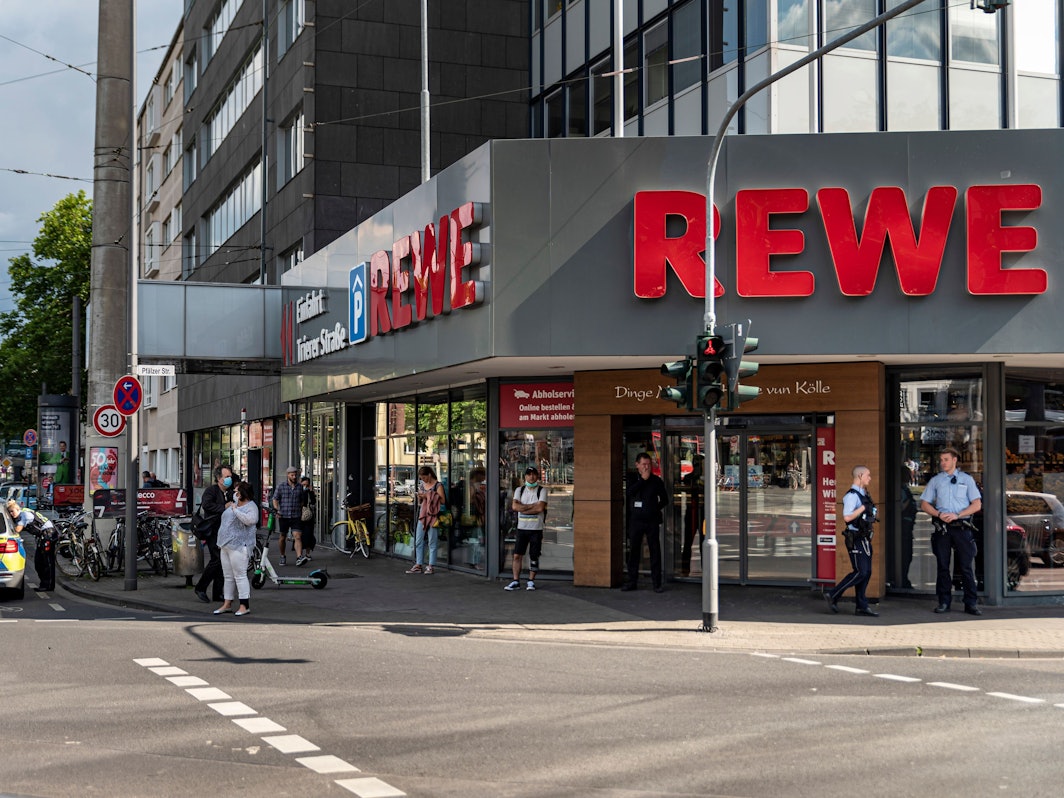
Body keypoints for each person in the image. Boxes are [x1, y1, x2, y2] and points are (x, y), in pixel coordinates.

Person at [921, 446, 983, 616]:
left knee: (966, 567)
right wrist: (939, 514)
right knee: (943, 566)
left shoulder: (966, 480)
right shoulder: (936, 480)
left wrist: (958, 515)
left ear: (954, 460)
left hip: (962, 527)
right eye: (941, 460)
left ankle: (970, 603)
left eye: (946, 459)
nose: (942, 463)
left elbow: (977, 504)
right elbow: (924, 504)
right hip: (943, 529)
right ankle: (943, 602)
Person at [825, 466, 878, 617]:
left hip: (865, 536)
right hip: (855, 537)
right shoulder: (852, 496)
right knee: (861, 571)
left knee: (867, 572)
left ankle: (861, 606)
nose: (870, 478)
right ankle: (833, 594)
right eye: (868, 475)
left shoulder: (863, 494)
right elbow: (847, 517)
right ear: (860, 476)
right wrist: (862, 508)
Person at [623, 452, 669, 593]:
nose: (646, 467)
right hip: (636, 521)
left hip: (651, 520)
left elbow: (665, 499)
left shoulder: (656, 481)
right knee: (634, 551)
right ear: (637, 465)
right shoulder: (632, 479)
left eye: (648, 464)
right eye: (644, 464)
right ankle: (632, 581)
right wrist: (642, 480)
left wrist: (655, 508)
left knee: (655, 550)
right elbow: (629, 493)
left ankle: (656, 583)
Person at [214, 480, 258, 617]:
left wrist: (235, 510)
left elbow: (250, 520)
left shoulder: (251, 507)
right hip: (225, 545)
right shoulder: (234, 504)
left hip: (239, 546)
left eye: (237, 491)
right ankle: (227, 604)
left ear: (243, 493)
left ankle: (244, 605)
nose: (234, 493)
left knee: (240, 575)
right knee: (228, 576)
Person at [195, 464, 233, 604]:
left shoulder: (230, 492)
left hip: (225, 531)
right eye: (227, 477)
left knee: (223, 562)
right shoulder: (211, 491)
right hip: (213, 530)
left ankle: (218, 593)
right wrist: (224, 507)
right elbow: (207, 505)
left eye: (230, 476)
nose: (229, 479)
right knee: (216, 559)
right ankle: (200, 587)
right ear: (219, 478)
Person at [505, 466, 547, 591]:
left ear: (537, 476)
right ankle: (515, 581)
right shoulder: (519, 490)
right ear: (525, 476)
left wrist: (523, 507)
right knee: (517, 555)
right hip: (521, 528)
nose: (531, 476)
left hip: (536, 529)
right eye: (529, 474)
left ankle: (531, 581)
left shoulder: (542, 490)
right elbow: (514, 507)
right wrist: (532, 506)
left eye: (534, 474)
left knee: (534, 556)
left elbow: (540, 508)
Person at [7, 500, 57, 591]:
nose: (11, 514)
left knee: (47, 561)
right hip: (42, 536)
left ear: (17, 509)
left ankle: (48, 586)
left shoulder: (24, 515)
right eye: (9, 512)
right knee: (38, 562)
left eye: (12, 511)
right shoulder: (23, 513)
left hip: (48, 534)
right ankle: (44, 584)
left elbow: (17, 529)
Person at [406, 465, 447, 575]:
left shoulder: (438, 485)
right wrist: (420, 496)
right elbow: (421, 500)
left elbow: (442, 500)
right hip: (423, 515)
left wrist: (428, 495)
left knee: (432, 541)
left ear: (429, 475)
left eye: (424, 477)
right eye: (421, 478)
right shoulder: (422, 485)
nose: (423, 480)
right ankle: (419, 564)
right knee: (418, 540)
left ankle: (430, 566)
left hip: (433, 516)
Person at [272, 466, 306, 566]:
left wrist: (300, 509)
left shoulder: (300, 487)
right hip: (284, 515)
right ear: (288, 475)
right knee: (283, 537)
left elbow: (302, 500)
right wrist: (277, 509)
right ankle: (282, 556)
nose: (294, 477)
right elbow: (275, 499)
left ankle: (299, 557)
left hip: (296, 515)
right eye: (292, 475)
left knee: (298, 536)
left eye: (295, 475)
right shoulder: (281, 486)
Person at [899, 465, 917, 589]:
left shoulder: (904, 488)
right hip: (903, 526)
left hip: (908, 525)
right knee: (905, 555)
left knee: (908, 555)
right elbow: (900, 507)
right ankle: (902, 580)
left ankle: (904, 579)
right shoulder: (900, 490)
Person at [299, 476, 317, 557]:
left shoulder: (310, 492)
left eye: (307, 484)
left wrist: (311, 491)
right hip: (299, 515)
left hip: (309, 516)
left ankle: (308, 553)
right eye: (303, 484)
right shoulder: (298, 491)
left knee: (309, 535)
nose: (305, 486)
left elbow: (313, 502)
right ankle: (299, 554)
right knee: (299, 535)